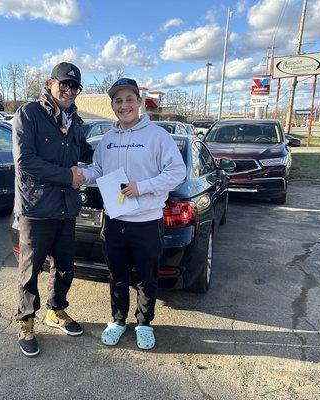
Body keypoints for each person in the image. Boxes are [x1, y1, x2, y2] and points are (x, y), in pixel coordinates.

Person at [80, 78, 186, 350]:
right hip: (115, 221)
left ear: (139, 102)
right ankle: (117, 320)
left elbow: (177, 172)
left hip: (147, 222)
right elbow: (98, 171)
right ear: (113, 106)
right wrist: (80, 175)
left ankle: (144, 324)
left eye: (129, 99)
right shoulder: (108, 140)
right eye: (118, 100)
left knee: (146, 277)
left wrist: (143, 187)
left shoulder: (158, 136)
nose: (124, 105)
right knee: (116, 275)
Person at [12, 62, 93, 357]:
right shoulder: (29, 114)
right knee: (30, 270)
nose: (68, 90)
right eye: (64, 84)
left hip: (66, 207)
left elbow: (83, 151)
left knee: (65, 265)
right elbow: (26, 161)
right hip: (36, 207)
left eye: (74, 87)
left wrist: (117, 148)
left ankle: (56, 310)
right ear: (50, 83)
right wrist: (68, 176)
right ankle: (25, 321)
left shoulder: (75, 121)